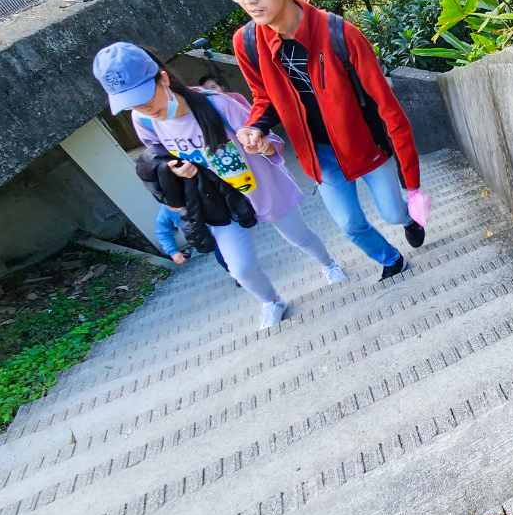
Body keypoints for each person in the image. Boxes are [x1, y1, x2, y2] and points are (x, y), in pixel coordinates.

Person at [220, 0, 429, 281]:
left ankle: (408, 219)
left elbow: (389, 109)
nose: (247, 1)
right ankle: (390, 259)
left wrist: (413, 184)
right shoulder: (246, 43)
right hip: (319, 155)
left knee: (393, 213)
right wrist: (255, 127)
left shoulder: (340, 34)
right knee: (349, 224)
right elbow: (264, 97)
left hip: (366, 146)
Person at [94, 41, 347, 328]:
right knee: (241, 269)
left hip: (260, 189)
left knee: (298, 236)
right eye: (131, 103)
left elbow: (268, 139)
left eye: (145, 97)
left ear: (163, 79)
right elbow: (158, 157)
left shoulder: (218, 104)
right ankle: (272, 300)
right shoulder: (144, 121)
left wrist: (262, 145)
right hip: (217, 201)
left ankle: (329, 264)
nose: (143, 108)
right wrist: (175, 170)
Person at [153, 202, 232, 278]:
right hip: (207, 237)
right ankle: (237, 275)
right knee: (223, 259)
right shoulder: (166, 209)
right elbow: (163, 233)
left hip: (223, 226)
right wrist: (173, 252)